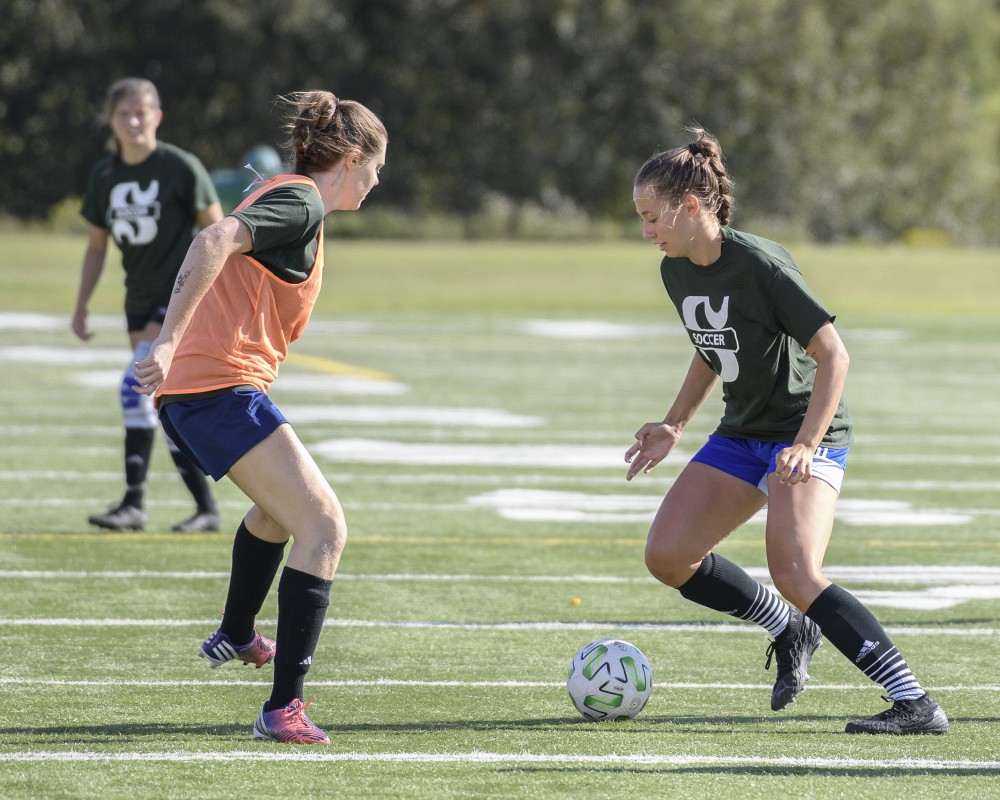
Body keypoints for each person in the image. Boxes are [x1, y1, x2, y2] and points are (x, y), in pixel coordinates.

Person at [625, 127, 947, 736]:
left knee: (796, 571)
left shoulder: (762, 264)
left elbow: (834, 356)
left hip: (805, 433)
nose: (646, 232)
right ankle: (788, 627)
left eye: (651, 217)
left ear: (690, 206)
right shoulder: (676, 270)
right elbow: (712, 347)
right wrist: (673, 423)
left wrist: (805, 444)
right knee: (667, 556)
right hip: (741, 432)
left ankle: (915, 702)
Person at [134, 90, 387, 745]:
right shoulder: (302, 199)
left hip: (208, 390)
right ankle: (283, 709)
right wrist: (167, 340)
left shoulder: (291, 196)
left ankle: (238, 631)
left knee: (279, 513)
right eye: (376, 167)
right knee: (324, 527)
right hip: (214, 388)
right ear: (352, 159)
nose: (377, 180)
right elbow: (214, 237)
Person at [72, 77, 223, 533]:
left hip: (179, 297)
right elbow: (96, 246)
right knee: (161, 399)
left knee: (135, 387)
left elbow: (219, 235)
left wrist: (220, 298)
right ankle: (205, 509)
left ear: (157, 116)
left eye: (141, 112)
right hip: (137, 300)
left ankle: (134, 503)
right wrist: (81, 304)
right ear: (111, 121)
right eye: (124, 114)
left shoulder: (181, 166)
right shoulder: (104, 176)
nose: (133, 121)